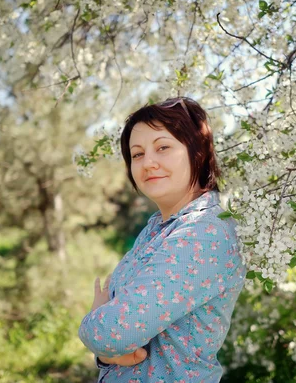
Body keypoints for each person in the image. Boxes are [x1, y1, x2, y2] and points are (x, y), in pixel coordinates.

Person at [78, 97, 246, 382]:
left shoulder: (204, 231)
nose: (148, 163)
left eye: (163, 147)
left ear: (197, 152)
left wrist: (93, 327)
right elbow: (115, 339)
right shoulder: (158, 226)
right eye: (137, 154)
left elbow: (112, 333)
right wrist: (107, 352)